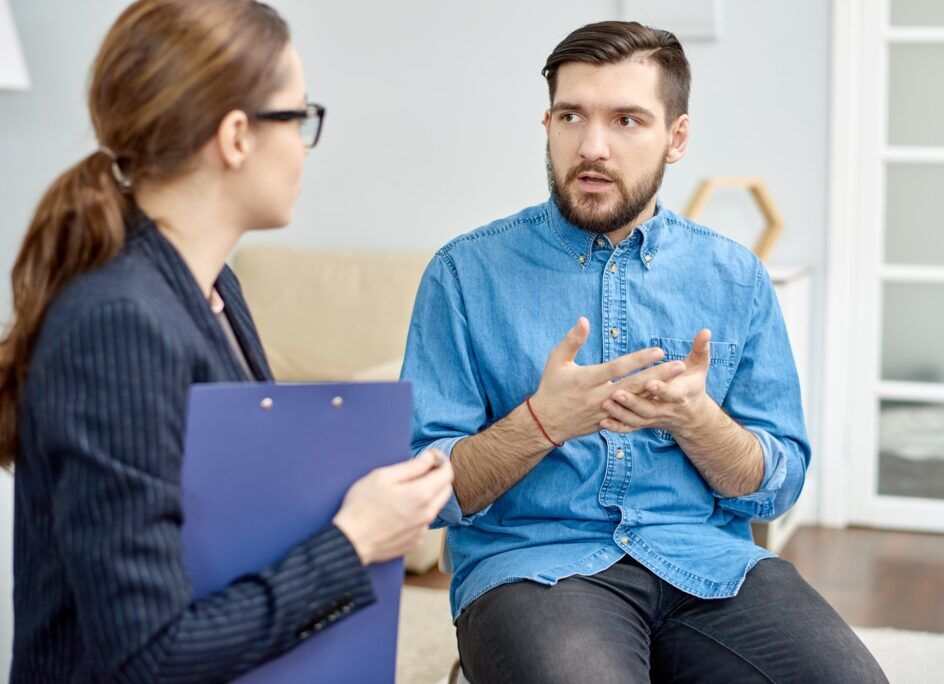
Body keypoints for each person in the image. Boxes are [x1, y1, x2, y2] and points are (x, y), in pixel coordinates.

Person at [401, 20, 886, 683]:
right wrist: (541, 424)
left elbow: (779, 485)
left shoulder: (736, 278)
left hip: (707, 564)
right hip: (537, 566)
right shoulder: (463, 275)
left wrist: (698, 422)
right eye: (572, 116)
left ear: (676, 137)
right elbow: (423, 490)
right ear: (547, 122)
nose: (592, 146)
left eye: (627, 120)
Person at [0, 1, 452, 681]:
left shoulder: (216, 289)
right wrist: (354, 540)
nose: (304, 143)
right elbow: (147, 657)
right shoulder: (116, 324)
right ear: (237, 136)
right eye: (299, 118)